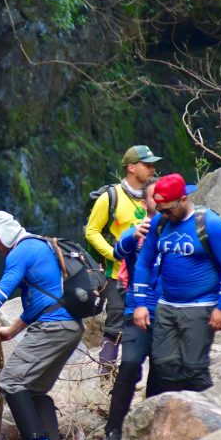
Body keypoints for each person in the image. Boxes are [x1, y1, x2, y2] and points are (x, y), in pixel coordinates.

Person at [0, 212, 83, 440]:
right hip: (70, 327)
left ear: (3, 232)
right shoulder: (38, 245)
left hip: (53, 328)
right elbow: (41, 303)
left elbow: (0, 293)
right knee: (33, 389)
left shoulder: (20, 252)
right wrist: (11, 331)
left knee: (10, 382)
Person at [132, 173, 221, 394]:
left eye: (168, 210)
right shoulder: (160, 224)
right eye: (159, 210)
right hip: (167, 305)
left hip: (200, 305)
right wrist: (139, 303)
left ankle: (210, 416)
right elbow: (143, 263)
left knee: (194, 367)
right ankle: (177, 412)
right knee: (163, 364)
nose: (164, 215)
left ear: (183, 199)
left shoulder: (210, 224)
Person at [99, 179, 163, 440]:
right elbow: (117, 252)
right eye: (155, 197)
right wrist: (132, 235)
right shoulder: (136, 230)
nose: (160, 201)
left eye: (165, 197)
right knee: (130, 364)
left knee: (162, 371)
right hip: (135, 310)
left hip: (169, 312)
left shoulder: (179, 228)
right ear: (144, 203)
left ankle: (152, 432)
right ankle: (113, 431)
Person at [84, 145, 161, 373]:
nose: (152, 168)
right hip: (119, 275)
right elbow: (92, 231)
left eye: (153, 164)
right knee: (115, 328)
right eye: (147, 164)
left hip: (156, 273)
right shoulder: (111, 197)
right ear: (130, 167)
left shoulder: (156, 193)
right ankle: (106, 379)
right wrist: (112, 254)